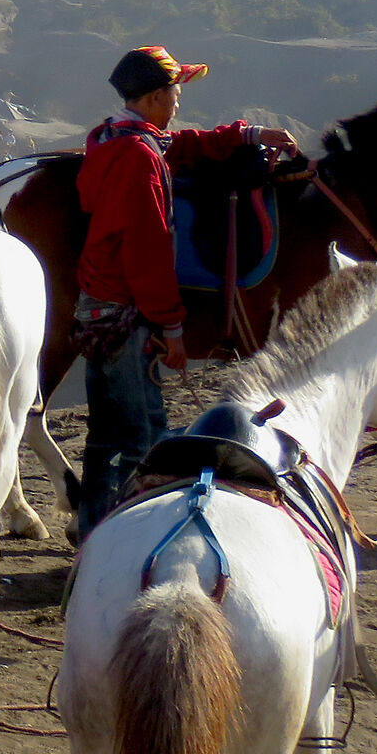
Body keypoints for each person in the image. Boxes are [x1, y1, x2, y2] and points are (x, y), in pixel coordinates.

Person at [73, 46, 300, 534]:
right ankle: (136, 534)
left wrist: (248, 134)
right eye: (176, 91)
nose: (179, 100)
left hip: (96, 307)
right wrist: (172, 326)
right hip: (125, 316)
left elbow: (183, 144)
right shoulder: (139, 158)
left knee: (104, 434)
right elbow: (149, 248)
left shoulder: (112, 138)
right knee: (147, 438)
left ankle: (91, 527)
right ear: (157, 96)